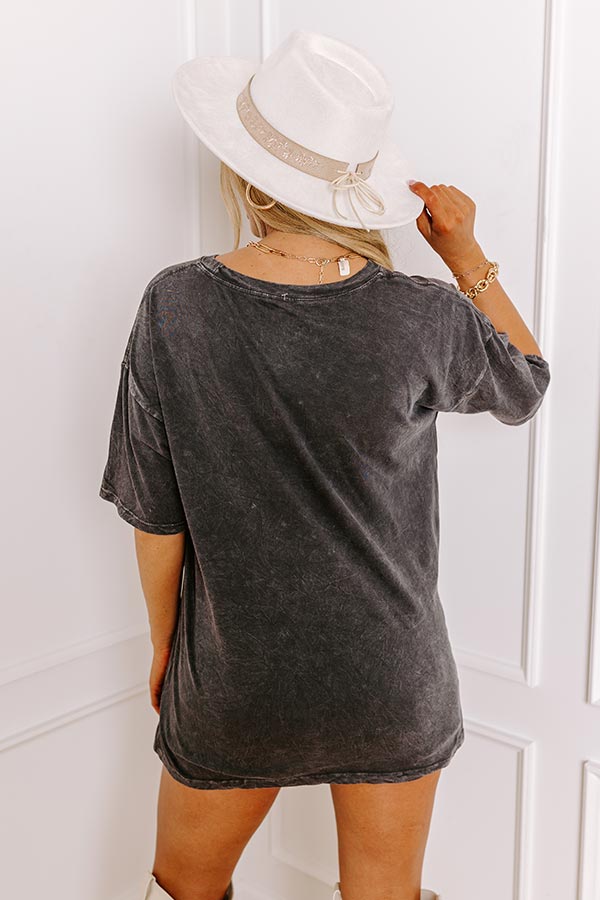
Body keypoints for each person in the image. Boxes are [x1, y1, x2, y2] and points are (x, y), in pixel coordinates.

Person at [99, 30, 551, 900]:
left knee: (183, 886)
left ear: (248, 178)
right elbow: (524, 384)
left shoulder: (175, 303)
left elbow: (154, 512)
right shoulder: (422, 313)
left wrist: (167, 646)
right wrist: (465, 255)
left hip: (234, 677)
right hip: (395, 679)